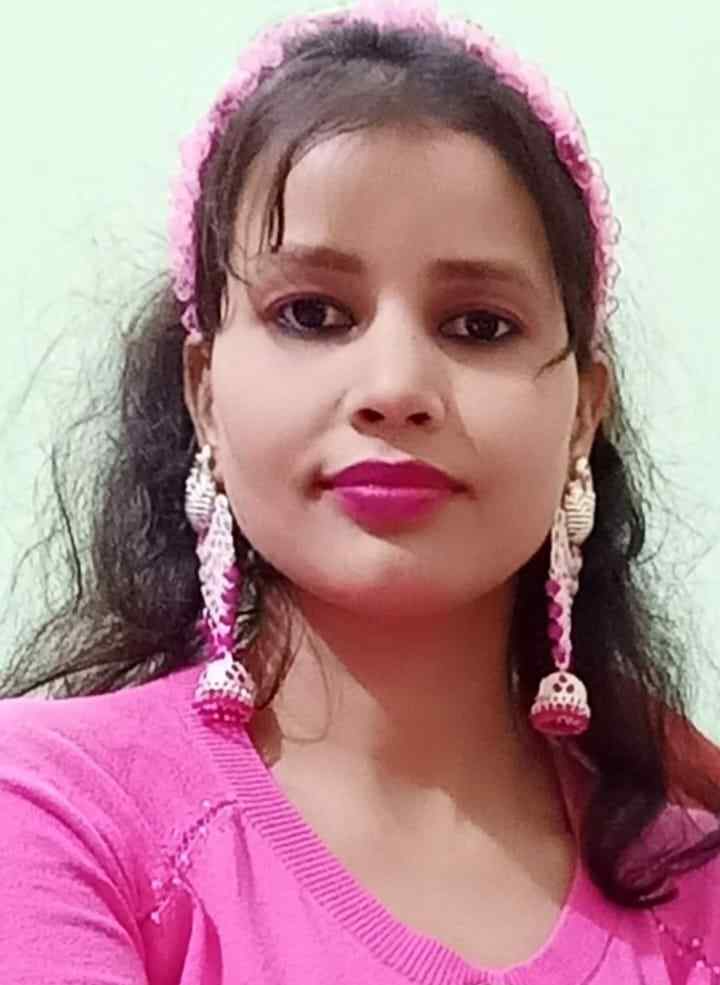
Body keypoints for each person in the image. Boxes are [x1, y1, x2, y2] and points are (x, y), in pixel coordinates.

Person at [1, 1, 719, 982]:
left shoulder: (693, 897)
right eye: (313, 313)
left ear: (582, 416)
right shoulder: (57, 812)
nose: (393, 387)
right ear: (204, 393)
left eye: (478, 326)